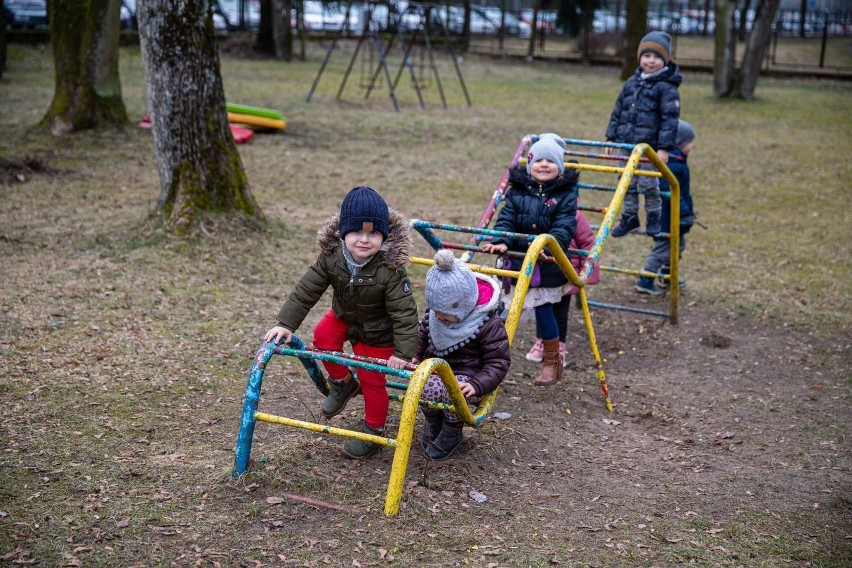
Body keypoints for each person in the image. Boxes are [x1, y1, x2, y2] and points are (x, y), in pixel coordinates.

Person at [264, 186, 419, 459]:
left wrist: (402, 353)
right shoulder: (332, 257)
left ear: (384, 236)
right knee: (323, 336)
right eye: (357, 232)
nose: (365, 240)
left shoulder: (390, 269)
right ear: (343, 232)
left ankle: (374, 430)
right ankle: (343, 382)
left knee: (372, 379)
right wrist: (285, 324)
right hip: (346, 316)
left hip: (379, 332)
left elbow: (404, 313)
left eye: (373, 233)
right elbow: (306, 290)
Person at [482, 135, 578, 386]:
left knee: (544, 310)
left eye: (551, 161)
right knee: (499, 312)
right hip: (517, 261)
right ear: (529, 164)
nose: (544, 165)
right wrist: (503, 240)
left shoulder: (565, 194)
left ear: (560, 167)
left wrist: (550, 244)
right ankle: (489, 358)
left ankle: (551, 362)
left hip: (547, 263)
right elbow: (506, 219)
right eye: (539, 160)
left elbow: (565, 226)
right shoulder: (517, 191)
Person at [412, 249, 510, 460]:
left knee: (453, 392)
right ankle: (433, 421)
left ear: (463, 305)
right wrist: (416, 357)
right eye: (435, 311)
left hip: (469, 378)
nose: (439, 317)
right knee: (422, 385)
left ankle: (452, 430)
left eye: (445, 313)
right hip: (437, 372)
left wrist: (477, 384)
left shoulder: (487, 323)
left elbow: (499, 361)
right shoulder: (436, 314)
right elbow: (422, 335)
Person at [606, 31, 682, 237]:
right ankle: (630, 217)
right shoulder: (632, 82)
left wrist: (664, 148)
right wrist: (612, 137)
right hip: (626, 144)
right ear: (640, 57)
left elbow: (670, 120)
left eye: (657, 57)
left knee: (649, 184)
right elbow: (618, 110)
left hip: (649, 147)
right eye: (647, 56)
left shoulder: (667, 87)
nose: (651, 61)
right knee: (626, 182)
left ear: (665, 60)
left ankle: (654, 217)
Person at [525, 210, 601, 366]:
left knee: (560, 314)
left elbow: (587, 242)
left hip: (566, 275)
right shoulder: (537, 210)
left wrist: (584, 274)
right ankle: (541, 341)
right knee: (542, 308)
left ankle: (559, 347)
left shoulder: (575, 215)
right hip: (543, 273)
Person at [635, 119, 696, 295]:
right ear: (679, 143)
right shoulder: (673, 165)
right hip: (667, 217)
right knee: (663, 249)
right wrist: (684, 211)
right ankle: (645, 280)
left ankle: (667, 275)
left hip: (675, 215)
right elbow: (668, 191)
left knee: (678, 246)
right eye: (689, 142)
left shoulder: (677, 161)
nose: (691, 146)